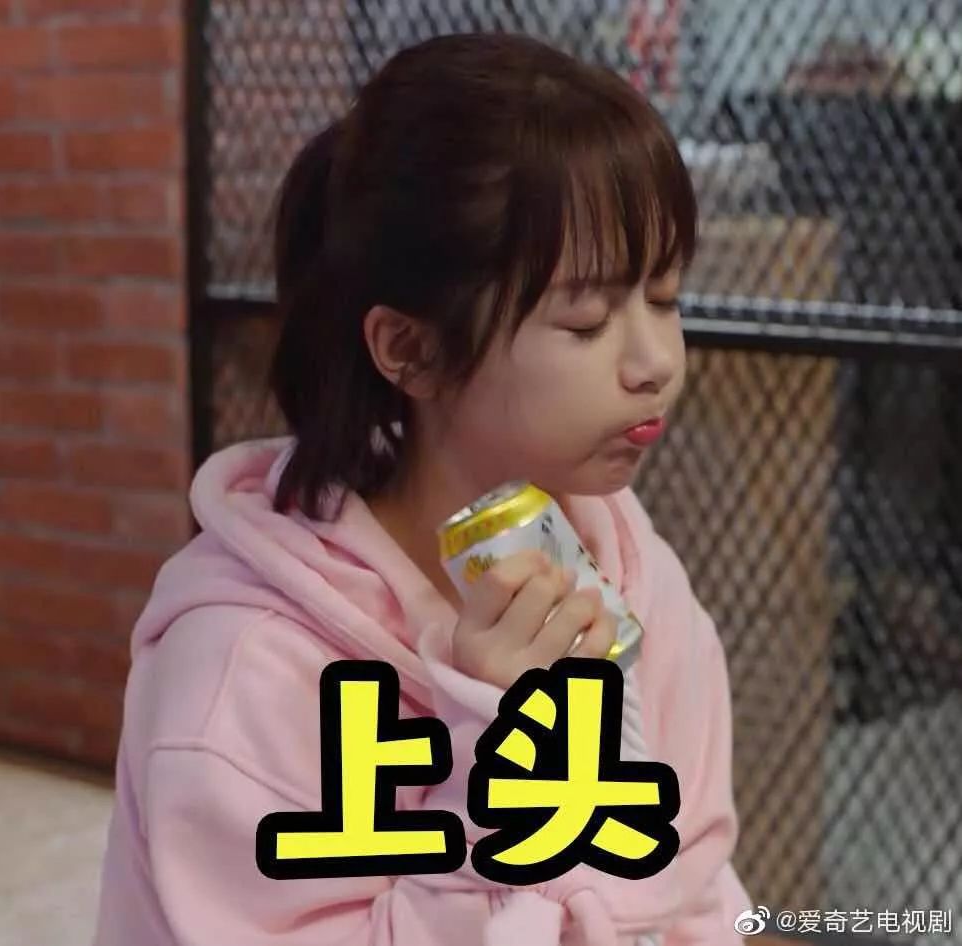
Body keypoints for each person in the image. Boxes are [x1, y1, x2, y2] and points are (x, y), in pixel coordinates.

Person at [93, 32, 752, 946]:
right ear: (410, 349)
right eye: (587, 321)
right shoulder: (247, 664)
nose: (657, 363)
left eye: (667, 298)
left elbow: (695, 877)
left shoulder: (632, 570)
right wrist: (499, 766)